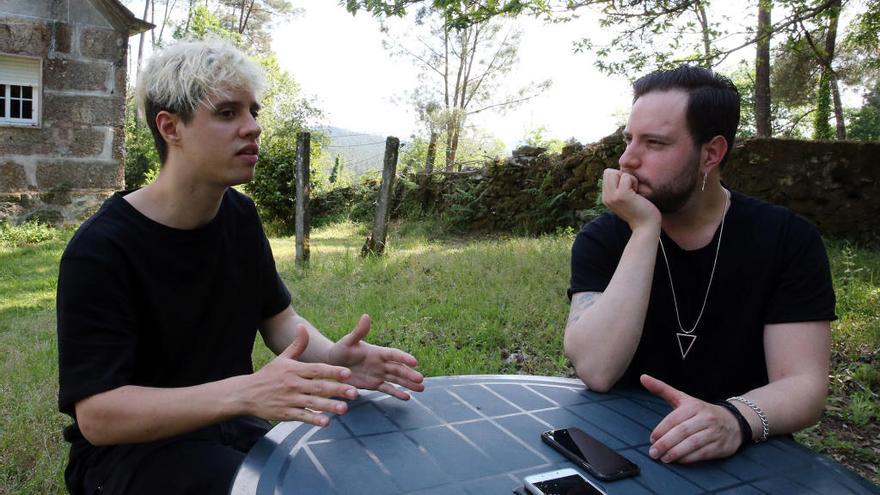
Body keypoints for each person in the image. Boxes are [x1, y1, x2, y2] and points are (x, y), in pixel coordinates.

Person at [56, 39, 425, 495]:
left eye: (253, 111)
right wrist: (247, 392)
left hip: (229, 427)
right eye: (228, 113)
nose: (252, 127)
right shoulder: (101, 250)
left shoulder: (239, 216)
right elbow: (98, 417)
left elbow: (278, 320)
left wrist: (333, 361)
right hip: (130, 455)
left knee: (350, 471)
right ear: (171, 128)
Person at [564, 65, 836, 465]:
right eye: (629, 139)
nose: (627, 160)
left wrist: (731, 419)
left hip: (740, 452)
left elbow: (804, 384)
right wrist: (644, 230)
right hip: (617, 441)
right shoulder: (604, 238)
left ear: (711, 153)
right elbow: (596, 369)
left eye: (654, 143)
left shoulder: (786, 239)